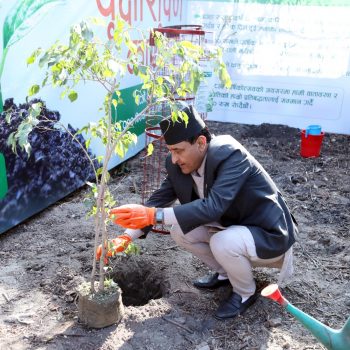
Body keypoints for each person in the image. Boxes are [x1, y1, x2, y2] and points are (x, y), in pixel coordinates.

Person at [98, 102, 298, 320]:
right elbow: (157, 202)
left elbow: (213, 207)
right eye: (170, 151)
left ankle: (244, 292)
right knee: (179, 230)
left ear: (201, 142)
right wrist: (126, 237)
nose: (174, 159)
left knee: (222, 242)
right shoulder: (179, 164)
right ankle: (225, 274)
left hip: (268, 234)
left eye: (178, 150)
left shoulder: (232, 156)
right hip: (232, 226)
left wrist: (154, 215)